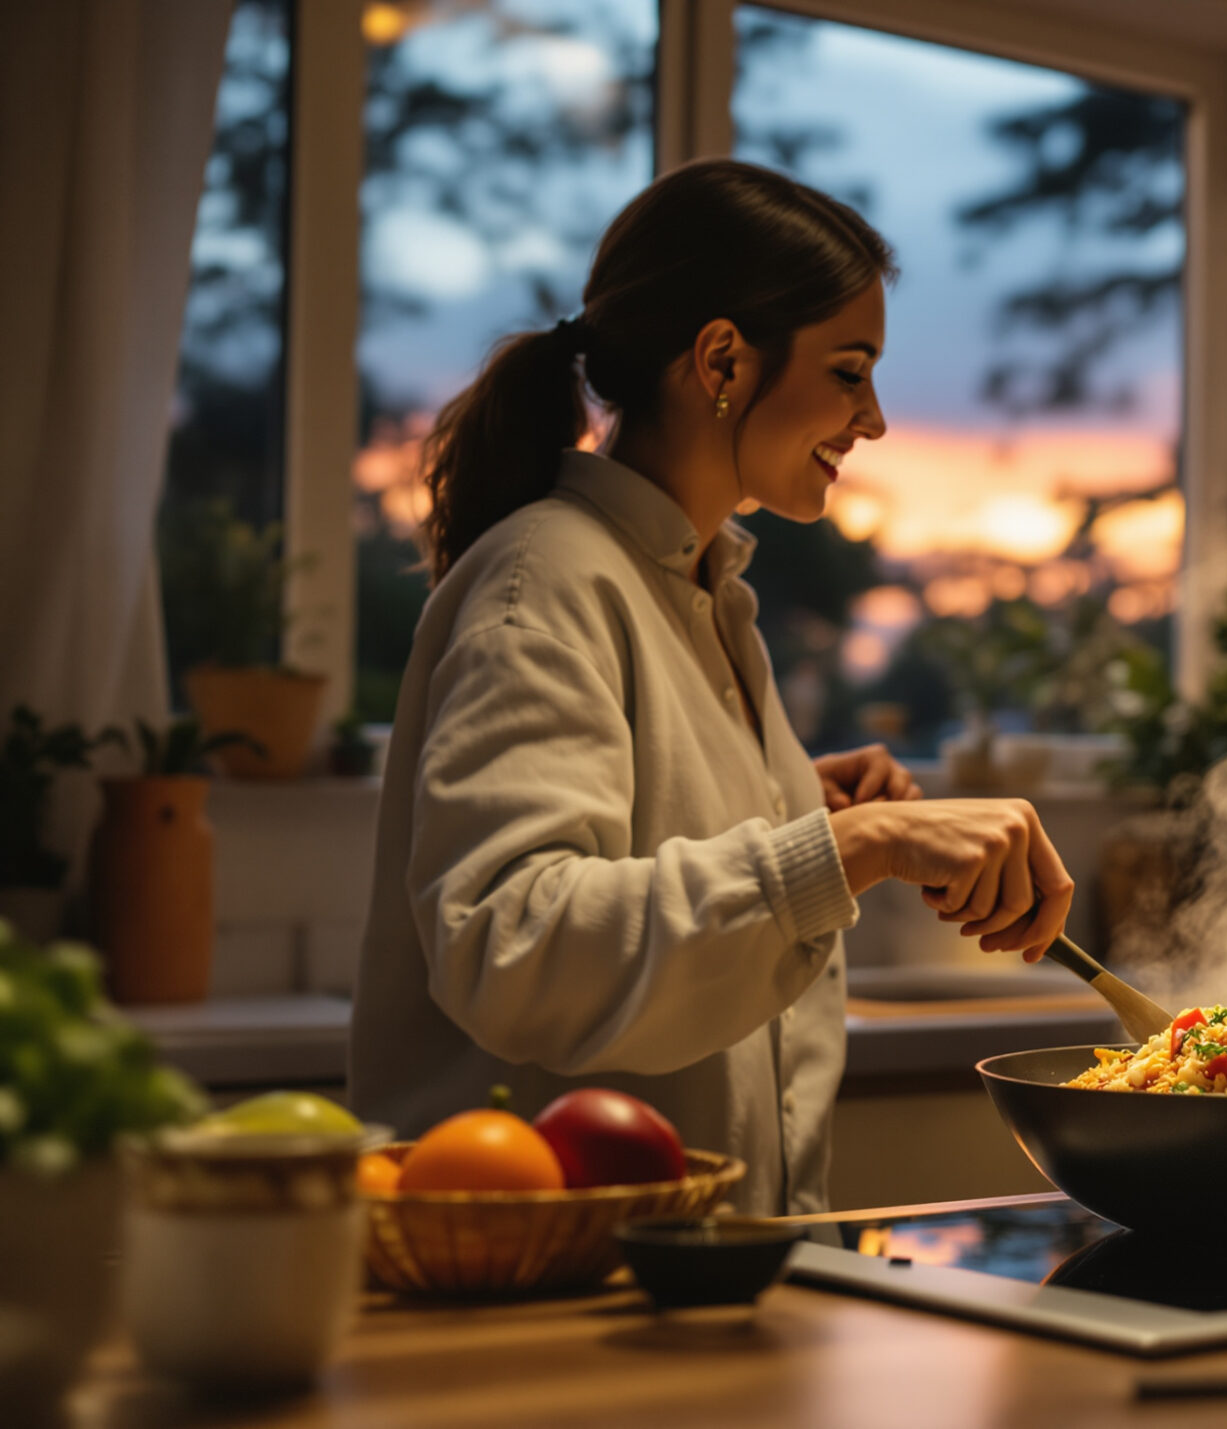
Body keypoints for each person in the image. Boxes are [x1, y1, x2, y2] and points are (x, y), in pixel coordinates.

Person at [351, 160, 1074, 1216]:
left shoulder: (706, 593)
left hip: (693, 1285)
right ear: (723, 359)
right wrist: (848, 850)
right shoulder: (544, 577)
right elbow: (517, 942)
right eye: (847, 370)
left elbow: (652, 857)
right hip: (559, 1309)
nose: (871, 420)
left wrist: (792, 803)